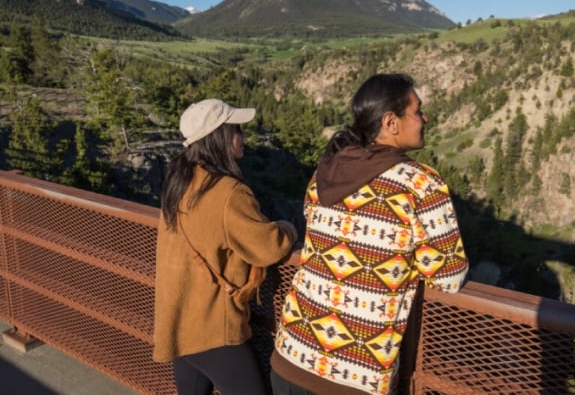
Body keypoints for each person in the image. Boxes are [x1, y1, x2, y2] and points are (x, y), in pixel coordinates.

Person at [270, 73, 469, 395]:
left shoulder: (325, 173)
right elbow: (448, 277)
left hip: (291, 354)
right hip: (353, 377)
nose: (424, 118)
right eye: (417, 111)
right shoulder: (420, 185)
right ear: (391, 122)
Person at [153, 98, 298, 395]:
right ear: (218, 137)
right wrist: (289, 227)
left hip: (179, 319)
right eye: (236, 130)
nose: (241, 137)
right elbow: (269, 247)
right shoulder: (228, 192)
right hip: (213, 327)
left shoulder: (178, 181)